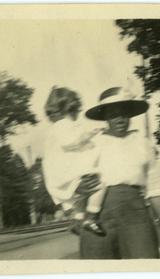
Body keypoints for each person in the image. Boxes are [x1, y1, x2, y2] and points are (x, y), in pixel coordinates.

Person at [79, 86, 160, 259]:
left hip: (136, 215)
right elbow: (71, 178)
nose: (120, 119)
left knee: (144, 267)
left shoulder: (143, 143)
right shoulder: (91, 143)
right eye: (113, 114)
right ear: (105, 116)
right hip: (98, 217)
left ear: (130, 115)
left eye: (124, 113)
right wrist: (80, 189)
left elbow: (155, 190)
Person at [42, 86, 107, 236]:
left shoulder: (58, 127)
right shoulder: (63, 125)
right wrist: (88, 136)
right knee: (100, 185)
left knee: (80, 195)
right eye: (77, 109)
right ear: (71, 108)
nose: (79, 112)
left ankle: (78, 220)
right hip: (66, 170)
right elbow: (70, 143)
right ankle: (91, 217)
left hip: (61, 171)